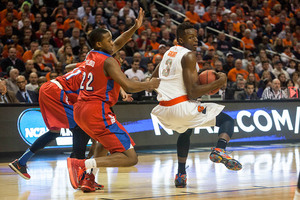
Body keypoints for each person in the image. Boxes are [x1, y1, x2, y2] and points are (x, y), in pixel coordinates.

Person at [9, 8, 147, 190]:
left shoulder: (93, 58)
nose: (118, 56)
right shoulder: (103, 64)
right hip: (57, 92)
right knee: (81, 130)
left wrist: (135, 28)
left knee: (57, 132)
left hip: (51, 89)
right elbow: (114, 48)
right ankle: (80, 173)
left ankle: (21, 162)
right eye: (117, 56)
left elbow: (71, 65)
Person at [67, 11, 160, 193]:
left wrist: (134, 28)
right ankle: (82, 164)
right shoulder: (109, 61)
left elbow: (119, 42)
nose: (113, 43)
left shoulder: (92, 55)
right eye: (109, 40)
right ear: (100, 43)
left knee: (102, 144)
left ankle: (88, 179)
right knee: (130, 157)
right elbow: (128, 85)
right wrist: (149, 84)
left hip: (80, 110)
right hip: (96, 110)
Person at [150, 22, 242, 188]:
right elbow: (193, 92)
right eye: (190, 37)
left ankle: (181, 174)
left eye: (196, 37)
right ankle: (220, 149)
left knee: (186, 131)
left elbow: (153, 79)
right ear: (180, 39)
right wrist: (218, 82)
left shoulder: (168, 53)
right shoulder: (189, 56)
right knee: (227, 120)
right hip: (180, 107)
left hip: (164, 109)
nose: (195, 40)